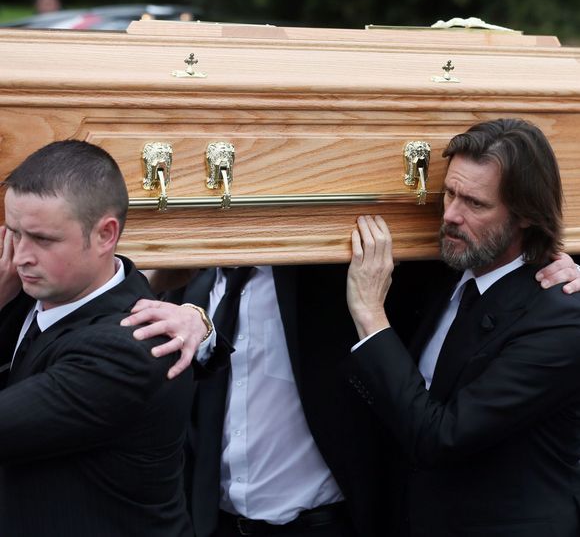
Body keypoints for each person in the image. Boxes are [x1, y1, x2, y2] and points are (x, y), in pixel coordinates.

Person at [126, 230, 580, 531]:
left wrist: (568, 263)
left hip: (330, 521)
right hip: (217, 521)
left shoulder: (337, 272)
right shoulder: (198, 268)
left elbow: (482, 262)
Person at [345, 118, 580, 536]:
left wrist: (369, 313)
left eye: (475, 203)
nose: (450, 215)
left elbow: (440, 437)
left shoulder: (561, 318)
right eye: (449, 193)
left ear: (526, 215)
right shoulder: (447, 273)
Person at [0, 140, 214, 537]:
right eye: (14, 232)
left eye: (42, 239)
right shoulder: (25, 295)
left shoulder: (128, 348)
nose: (20, 256)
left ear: (105, 235)